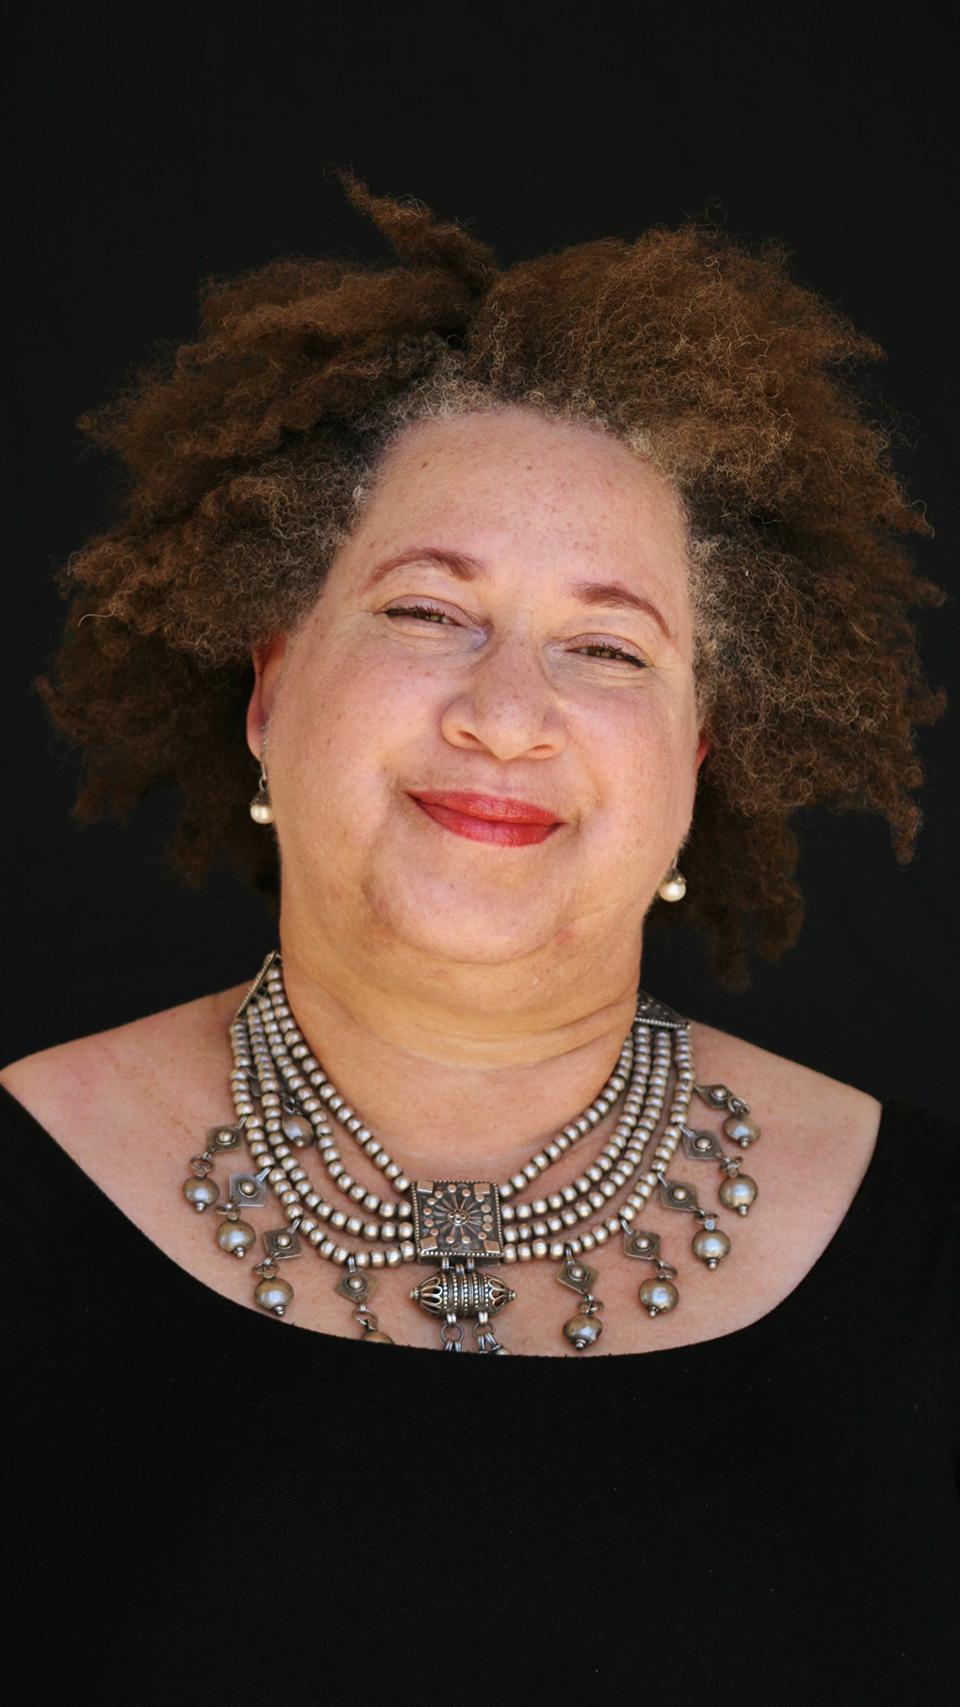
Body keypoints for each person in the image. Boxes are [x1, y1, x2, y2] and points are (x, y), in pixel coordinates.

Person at [3, 172, 956, 1702]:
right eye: (425, 612)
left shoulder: (931, 1262)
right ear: (268, 691)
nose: (503, 715)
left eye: (604, 647)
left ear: (694, 757)